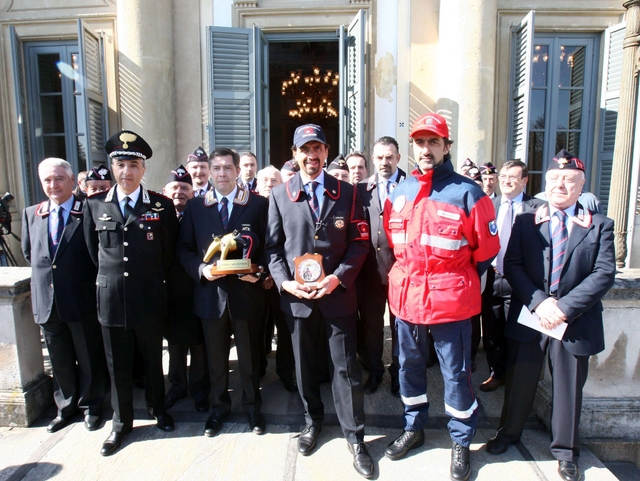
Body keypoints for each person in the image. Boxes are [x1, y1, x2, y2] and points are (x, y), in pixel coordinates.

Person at [485, 151, 616, 481]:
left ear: (582, 184)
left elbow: (603, 273)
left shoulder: (600, 225)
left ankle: (566, 452)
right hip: (532, 314)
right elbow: (512, 264)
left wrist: (564, 308)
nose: (561, 184)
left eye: (569, 179)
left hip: (574, 320)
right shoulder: (527, 220)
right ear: (545, 183)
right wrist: (541, 302)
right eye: (555, 179)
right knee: (519, 381)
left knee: (569, 389)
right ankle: (508, 433)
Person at [383, 113, 499, 481]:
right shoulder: (399, 193)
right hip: (406, 301)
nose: (426, 148)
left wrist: (456, 283)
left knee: (456, 374)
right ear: (412, 148)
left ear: (447, 146)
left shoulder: (469, 193)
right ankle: (414, 427)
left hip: (451, 302)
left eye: (434, 142)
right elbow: (393, 245)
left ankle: (461, 440)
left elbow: (486, 251)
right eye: (420, 142)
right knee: (408, 369)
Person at [266, 123, 373, 479]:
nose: (312, 156)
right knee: (304, 367)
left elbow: (359, 243)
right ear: (295, 154)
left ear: (326, 152)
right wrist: (285, 285)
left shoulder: (348, 192)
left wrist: (337, 278)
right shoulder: (281, 195)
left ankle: (355, 436)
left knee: (345, 369)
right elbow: (272, 249)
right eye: (305, 150)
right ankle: (312, 422)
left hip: (337, 296)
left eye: (318, 149)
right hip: (298, 301)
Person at [83, 130, 179, 456]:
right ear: (112, 168)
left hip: (150, 297)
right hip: (111, 301)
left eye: (134, 165)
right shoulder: (95, 205)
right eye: (121, 164)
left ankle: (158, 409)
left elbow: (168, 254)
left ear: (144, 170)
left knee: (153, 361)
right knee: (118, 367)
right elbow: (90, 254)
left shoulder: (161, 206)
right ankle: (121, 423)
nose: (127, 172)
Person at [177, 148, 268, 438]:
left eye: (227, 168)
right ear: (208, 171)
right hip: (210, 296)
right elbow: (184, 250)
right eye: (216, 169)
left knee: (249, 359)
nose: (221, 174)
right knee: (215, 360)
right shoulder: (195, 207)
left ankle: (253, 407)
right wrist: (201, 269)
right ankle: (219, 408)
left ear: (238, 170)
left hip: (246, 295)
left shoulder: (257, 204)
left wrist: (260, 270)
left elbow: (269, 246)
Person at [22, 158, 107, 433]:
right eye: (47, 179)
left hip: (80, 299)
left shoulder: (89, 211)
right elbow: (30, 254)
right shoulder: (31, 214)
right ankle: (65, 407)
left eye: (59, 178)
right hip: (47, 302)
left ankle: (92, 406)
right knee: (59, 358)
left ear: (72, 181)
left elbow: (98, 255)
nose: (53, 184)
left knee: (88, 356)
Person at [479, 160, 543, 393]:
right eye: (503, 176)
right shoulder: (488, 204)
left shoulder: (538, 208)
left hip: (521, 282)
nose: (506, 180)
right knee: (493, 330)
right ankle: (497, 373)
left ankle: (518, 377)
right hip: (491, 278)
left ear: (525, 181)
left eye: (513, 177)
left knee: (519, 332)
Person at [356, 136, 406, 396]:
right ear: (373, 160)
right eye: (379, 157)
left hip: (402, 272)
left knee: (401, 328)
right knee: (372, 327)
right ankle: (375, 372)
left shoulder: (412, 186)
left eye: (390, 156)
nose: (385, 162)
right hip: (370, 272)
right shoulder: (360, 189)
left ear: (398, 157)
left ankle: (399, 374)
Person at [162, 165, 211, 412]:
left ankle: (200, 389)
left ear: (193, 192)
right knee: (175, 343)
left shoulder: (201, 213)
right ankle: (178, 385)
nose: (179, 192)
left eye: (185, 188)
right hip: (170, 290)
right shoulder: (159, 214)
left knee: (199, 343)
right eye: (175, 187)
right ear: (165, 191)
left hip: (197, 287)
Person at [256, 165, 296, 391]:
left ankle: (285, 373)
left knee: (285, 329)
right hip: (256, 280)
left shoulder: (288, 205)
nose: (269, 185)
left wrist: (274, 272)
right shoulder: (250, 207)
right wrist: (263, 271)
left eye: (274, 181)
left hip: (282, 279)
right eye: (265, 181)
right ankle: (258, 367)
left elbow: (286, 244)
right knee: (259, 328)